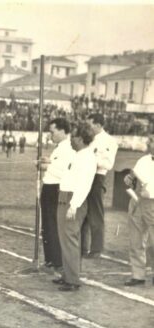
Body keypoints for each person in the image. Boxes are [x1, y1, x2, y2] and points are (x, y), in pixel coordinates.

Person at [53, 122, 97, 291]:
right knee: (65, 239)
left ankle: (72, 280)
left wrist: (74, 205)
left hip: (73, 201)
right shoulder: (78, 155)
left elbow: (84, 185)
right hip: (65, 198)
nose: (70, 140)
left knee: (70, 240)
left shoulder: (87, 158)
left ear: (80, 138)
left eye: (73, 137)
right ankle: (67, 274)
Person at [81, 113, 118, 258]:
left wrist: (91, 160)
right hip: (84, 176)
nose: (88, 128)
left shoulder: (109, 141)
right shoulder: (88, 140)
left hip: (97, 177)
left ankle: (96, 249)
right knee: (82, 212)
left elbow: (108, 164)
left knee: (95, 213)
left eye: (90, 125)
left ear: (98, 124)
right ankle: (82, 248)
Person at [39, 118, 75, 270]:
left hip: (55, 188)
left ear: (62, 131)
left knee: (53, 224)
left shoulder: (68, 150)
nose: (50, 135)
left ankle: (57, 260)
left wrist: (47, 165)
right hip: (48, 187)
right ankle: (51, 258)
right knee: (47, 225)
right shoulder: (59, 148)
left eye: (52, 131)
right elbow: (54, 165)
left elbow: (64, 172)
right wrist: (47, 162)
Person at [123, 134, 154, 286]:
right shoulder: (144, 160)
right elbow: (133, 176)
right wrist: (129, 179)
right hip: (137, 201)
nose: (149, 144)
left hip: (153, 203)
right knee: (136, 240)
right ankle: (138, 275)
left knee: (152, 243)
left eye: (152, 142)